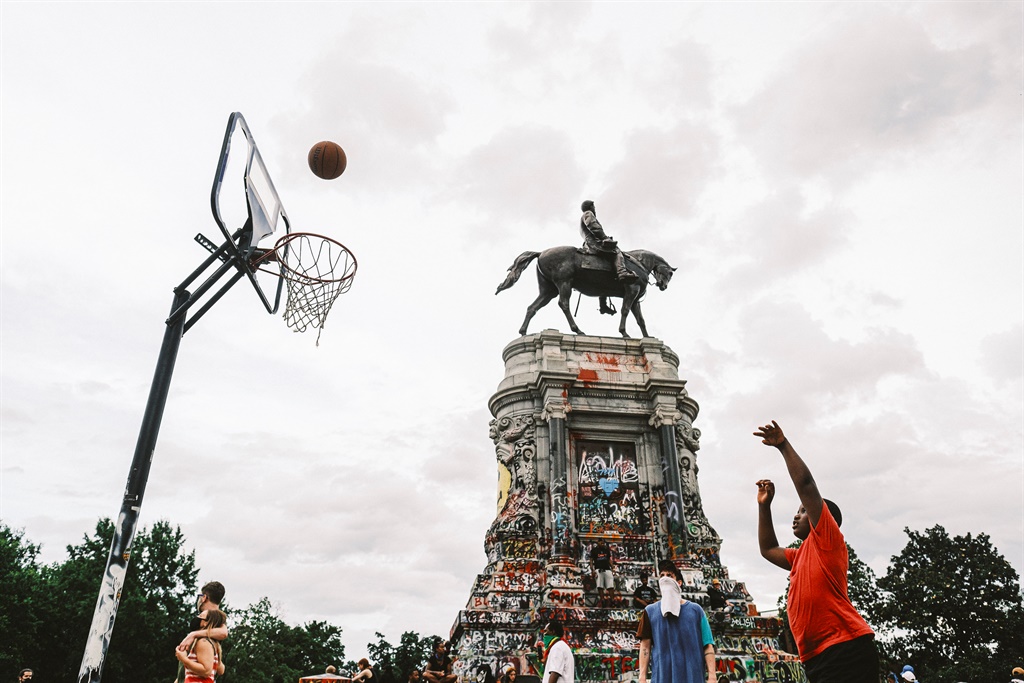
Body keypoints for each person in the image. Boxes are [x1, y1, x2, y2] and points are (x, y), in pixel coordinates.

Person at [754, 420, 878, 683]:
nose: (797, 515)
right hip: (816, 656)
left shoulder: (828, 541)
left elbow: (807, 485)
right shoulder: (800, 556)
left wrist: (783, 446)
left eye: (803, 511)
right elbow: (768, 549)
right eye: (798, 510)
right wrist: (765, 507)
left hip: (845, 648)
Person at [637, 559, 716, 683]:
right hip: (662, 677)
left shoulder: (696, 611)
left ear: (678, 583)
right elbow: (645, 647)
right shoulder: (650, 612)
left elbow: (707, 645)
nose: (665, 579)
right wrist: (642, 677)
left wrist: (712, 676)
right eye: (662, 576)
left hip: (692, 677)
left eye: (669, 576)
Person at [176, 581, 228, 683]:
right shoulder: (214, 624)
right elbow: (220, 668)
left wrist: (194, 634)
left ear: (204, 597)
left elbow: (224, 633)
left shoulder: (212, 626)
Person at [579, 200, 637, 282]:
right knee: (616, 251)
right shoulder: (588, 213)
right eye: (594, 206)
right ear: (590, 207)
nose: (595, 208)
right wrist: (605, 238)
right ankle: (622, 272)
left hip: (589, 243)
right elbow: (593, 226)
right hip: (594, 243)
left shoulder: (584, 216)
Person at [175, 608, 227, 683]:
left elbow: (206, 671)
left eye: (200, 616)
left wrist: (184, 659)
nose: (197, 618)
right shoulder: (211, 644)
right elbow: (221, 670)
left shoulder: (203, 642)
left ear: (206, 622)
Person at [591, 539, 615, 607]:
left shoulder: (606, 550)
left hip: (607, 569)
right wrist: (592, 570)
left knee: (610, 586)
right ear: (598, 542)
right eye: (601, 542)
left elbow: (608, 559)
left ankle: (612, 600)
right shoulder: (594, 550)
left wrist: (612, 567)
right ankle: (602, 600)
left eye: (603, 543)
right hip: (598, 569)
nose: (602, 544)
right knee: (600, 586)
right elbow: (591, 560)